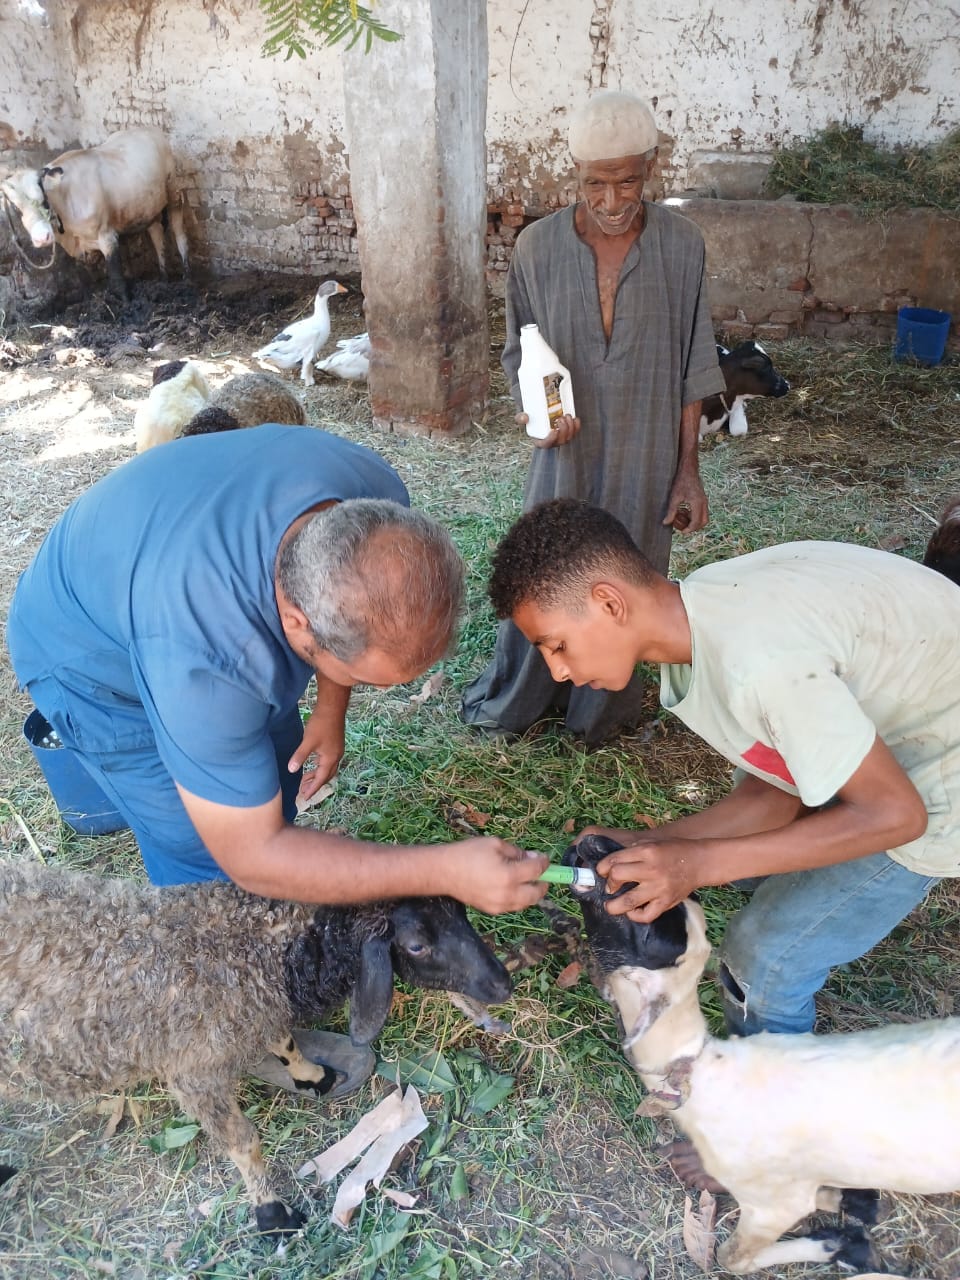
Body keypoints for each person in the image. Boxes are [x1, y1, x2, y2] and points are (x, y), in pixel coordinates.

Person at [7, 424, 549, 915]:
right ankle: (215, 990)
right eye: (364, 679)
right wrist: (444, 870)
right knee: (203, 859)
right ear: (296, 622)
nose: (367, 690)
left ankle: (279, 902)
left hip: (161, 558)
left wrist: (331, 705)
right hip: (87, 661)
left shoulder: (374, 498)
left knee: (271, 777)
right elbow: (250, 854)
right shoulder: (208, 663)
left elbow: (356, 601)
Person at [486, 497, 959, 1043]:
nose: (558, 670)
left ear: (609, 603)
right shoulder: (702, 613)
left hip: (937, 774)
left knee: (763, 957)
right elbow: (775, 794)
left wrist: (699, 863)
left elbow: (897, 815)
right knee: (756, 852)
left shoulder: (759, 667)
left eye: (558, 646)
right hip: (899, 718)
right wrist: (653, 841)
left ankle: (768, 1117)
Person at [461, 89, 725, 744]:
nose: (611, 201)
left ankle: (600, 715)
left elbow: (694, 364)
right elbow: (518, 355)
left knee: (628, 573)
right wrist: (535, 416)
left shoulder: (683, 246)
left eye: (627, 182)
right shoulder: (536, 249)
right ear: (573, 176)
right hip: (564, 454)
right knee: (545, 570)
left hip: (646, 450)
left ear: (653, 166)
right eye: (594, 184)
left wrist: (688, 469)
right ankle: (525, 697)